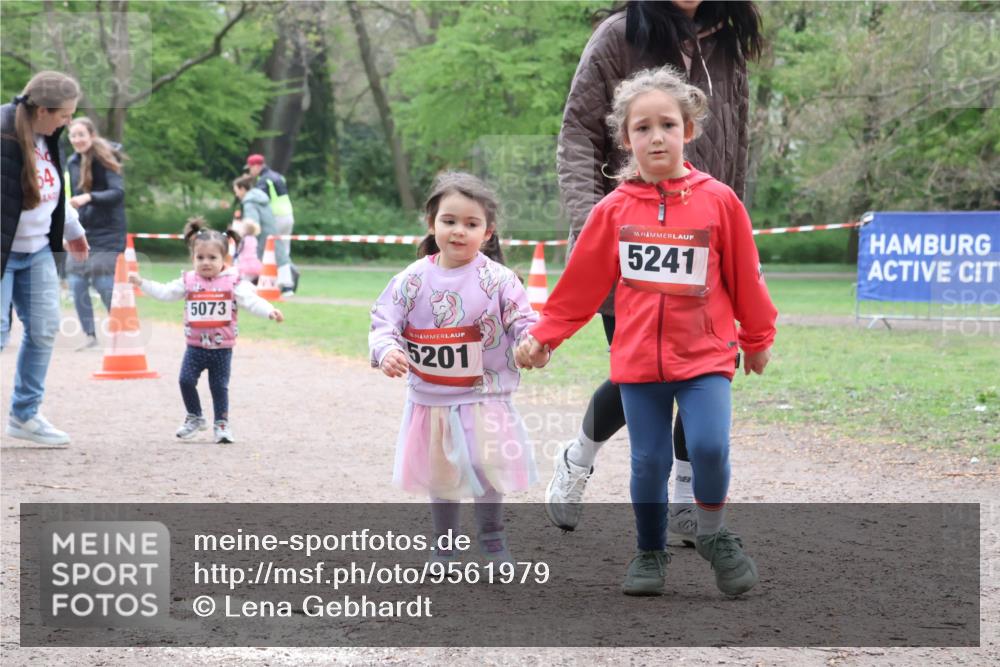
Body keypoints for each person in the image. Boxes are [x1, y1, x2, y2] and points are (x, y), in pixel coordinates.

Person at [518, 66, 776, 596]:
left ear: (689, 130)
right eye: (642, 128)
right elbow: (580, 286)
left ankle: (712, 534)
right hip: (638, 361)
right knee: (650, 460)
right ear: (625, 138)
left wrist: (757, 339)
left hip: (705, 358)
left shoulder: (719, 201)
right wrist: (544, 337)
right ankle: (650, 551)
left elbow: (746, 278)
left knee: (708, 447)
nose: (656, 137)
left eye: (667, 125)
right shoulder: (614, 210)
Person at [548, 0, 764, 546]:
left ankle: (686, 501)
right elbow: (577, 133)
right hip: (631, 245)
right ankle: (578, 456)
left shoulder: (726, 39)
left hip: (704, 243)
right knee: (637, 375)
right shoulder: (619, 35)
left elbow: (736, 139)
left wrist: (732, 226)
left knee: (702, 371)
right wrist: (594, 228)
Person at [369, 172, 539, 563]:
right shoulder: (411, 279)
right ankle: (444, 545)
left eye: (471, 223)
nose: (459, 231)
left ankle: (492, 538)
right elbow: (383, 321)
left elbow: (524, 323)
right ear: (432, 224)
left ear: (488, 232)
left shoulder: (499, 280)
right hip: (432, 400)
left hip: (486, 395)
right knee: (441, 473)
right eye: (449, 221)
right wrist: (386, 350)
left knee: (485, 464)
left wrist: (532, 346)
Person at [128, 219, 284, 444]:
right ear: (193, 258)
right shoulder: (188, 281)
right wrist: (142, 283)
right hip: (195, 347)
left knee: (219, 387)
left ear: (224, 259)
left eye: (212, 257)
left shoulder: (233, 282)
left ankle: (221, 424)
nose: (206, 263)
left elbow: (251, 301)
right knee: (185, 381)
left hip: (222, 348)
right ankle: (195, 416)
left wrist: (269, 311)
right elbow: (165, 293)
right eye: (200, 257)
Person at [1, 71, 88, 446]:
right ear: (41, 111)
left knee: (44, 327)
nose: (68, 122)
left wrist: (73, 230)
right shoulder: (3, 132)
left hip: (36, 249)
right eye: (64, 115)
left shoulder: (50, 137)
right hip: (4, 252)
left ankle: (25, 415)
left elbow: (55, 192)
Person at [65, 116, 127, 350]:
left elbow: (117, 193)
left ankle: (122, 331)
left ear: (91, 135)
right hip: (83, 229)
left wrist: (89, 197)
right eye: (73, 135)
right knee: (76, 281)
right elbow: (72, 198)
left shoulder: (106, 158)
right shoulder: (72, 162)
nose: (77, 139)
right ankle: (90, 336)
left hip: (108, 231)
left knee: (102, 281)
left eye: (81, 134)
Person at [245, 154, 298, 295]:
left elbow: (261, 200)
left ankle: (273, 282)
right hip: (288, 216)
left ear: (256, 166)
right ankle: (288, 282)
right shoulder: (279, 176)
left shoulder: (263, 180)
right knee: (284, 251)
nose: (250, 171)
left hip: (276, 218)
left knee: (269, 252)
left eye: (250, 168)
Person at [231, 216, 262, 283]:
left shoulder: (243, 240)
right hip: (254, 263)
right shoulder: (254, 239)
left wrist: (234, 256)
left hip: (244, 264)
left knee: (244, 281)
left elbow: (238, 250)